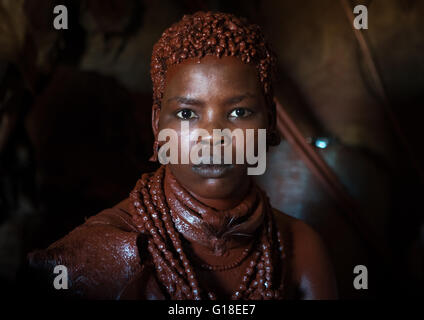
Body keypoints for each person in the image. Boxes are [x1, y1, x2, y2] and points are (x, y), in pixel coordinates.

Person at [25, 11, 337, 300]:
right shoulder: (92, 256)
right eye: (187, 113)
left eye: (239, 111)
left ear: (269, 120)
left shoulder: (300, 249)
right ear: (157, 124)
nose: (213, 137)